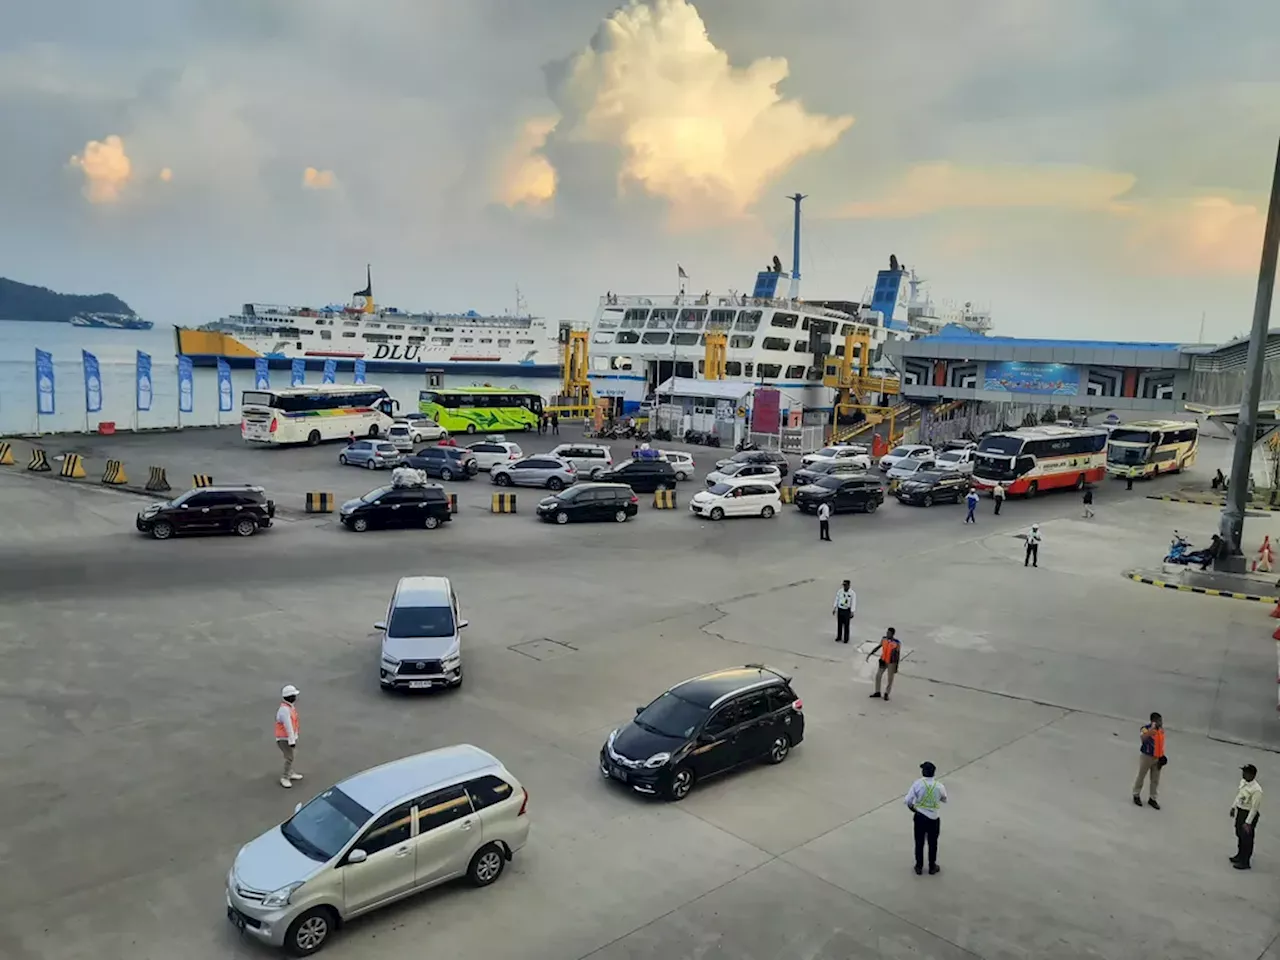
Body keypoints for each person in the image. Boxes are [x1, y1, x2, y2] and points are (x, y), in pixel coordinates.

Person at [905, 761, 947, 875]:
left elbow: (908, 800)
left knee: (919, 842)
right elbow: (944, 799)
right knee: (933, 843)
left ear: (923, 772)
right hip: (934, 818)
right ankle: (932, 866)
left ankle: (919, 866)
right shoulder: (939, 786)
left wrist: (913, 808)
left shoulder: (917, 784)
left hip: (920, 817)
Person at [1230, 764, 1263, 870]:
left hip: (1248, 814)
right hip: (1241, 811)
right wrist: (1233, 807)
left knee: (1247, 839)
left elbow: (1254, 808)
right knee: (1239, 834)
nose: (1243, 774)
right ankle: (1239, 855)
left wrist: (1248, 822)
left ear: (1252, 775)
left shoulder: (1256, 790)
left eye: (1246, 772)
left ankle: (1245, 861)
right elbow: (1239, 795)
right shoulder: (1243, 782)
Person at [1133, 712, 1165, 809]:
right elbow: (1142, 738)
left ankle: (1152, 798)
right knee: (1141, 776)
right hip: (1146, 756)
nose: (1161, 722)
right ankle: (1136, 794)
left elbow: (1161, 744)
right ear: (1153, 721)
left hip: (1157, 758)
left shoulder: (1161, 731)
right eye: (1159, 721)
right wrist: (1150, 731)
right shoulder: (1145, 728)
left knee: (1155, 779)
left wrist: (1162, 756)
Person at [275, 685, 303, 789]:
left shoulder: (289, 707)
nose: (296, 697)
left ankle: (290, 772)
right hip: (284, 739)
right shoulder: (284, 710)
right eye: (294, 695)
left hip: (289, 738)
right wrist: (292, 740)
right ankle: (285, 777)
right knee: (289, 758)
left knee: (292, 756)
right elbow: (288, 726)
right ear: (290, 697)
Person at [867, 627, 901, 700]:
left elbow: (898, 655)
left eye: (889, 633)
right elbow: (879, 646)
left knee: (890, 679)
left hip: (891, 662)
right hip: (883, 660)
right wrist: (871, 653)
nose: (887, 634)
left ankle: (886, 693)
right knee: (878, 675)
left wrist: (896, 666)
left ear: (892, 634)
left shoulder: (896, 643)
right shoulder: (884, 639)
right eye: (887, 633)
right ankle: (877, 692)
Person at [832, 579, 855, 644]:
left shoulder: (852, 593)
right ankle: (839, 637)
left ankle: (846, 638)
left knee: (846, 625)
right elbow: (837, 599)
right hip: (840, 609)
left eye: (846, 585)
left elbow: (853, 602)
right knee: (839, 624)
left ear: (849, 585)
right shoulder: (840, 591)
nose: (844, 587)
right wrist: (834, 608)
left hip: (846, 610)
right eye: (844, 585)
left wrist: (852, 611)